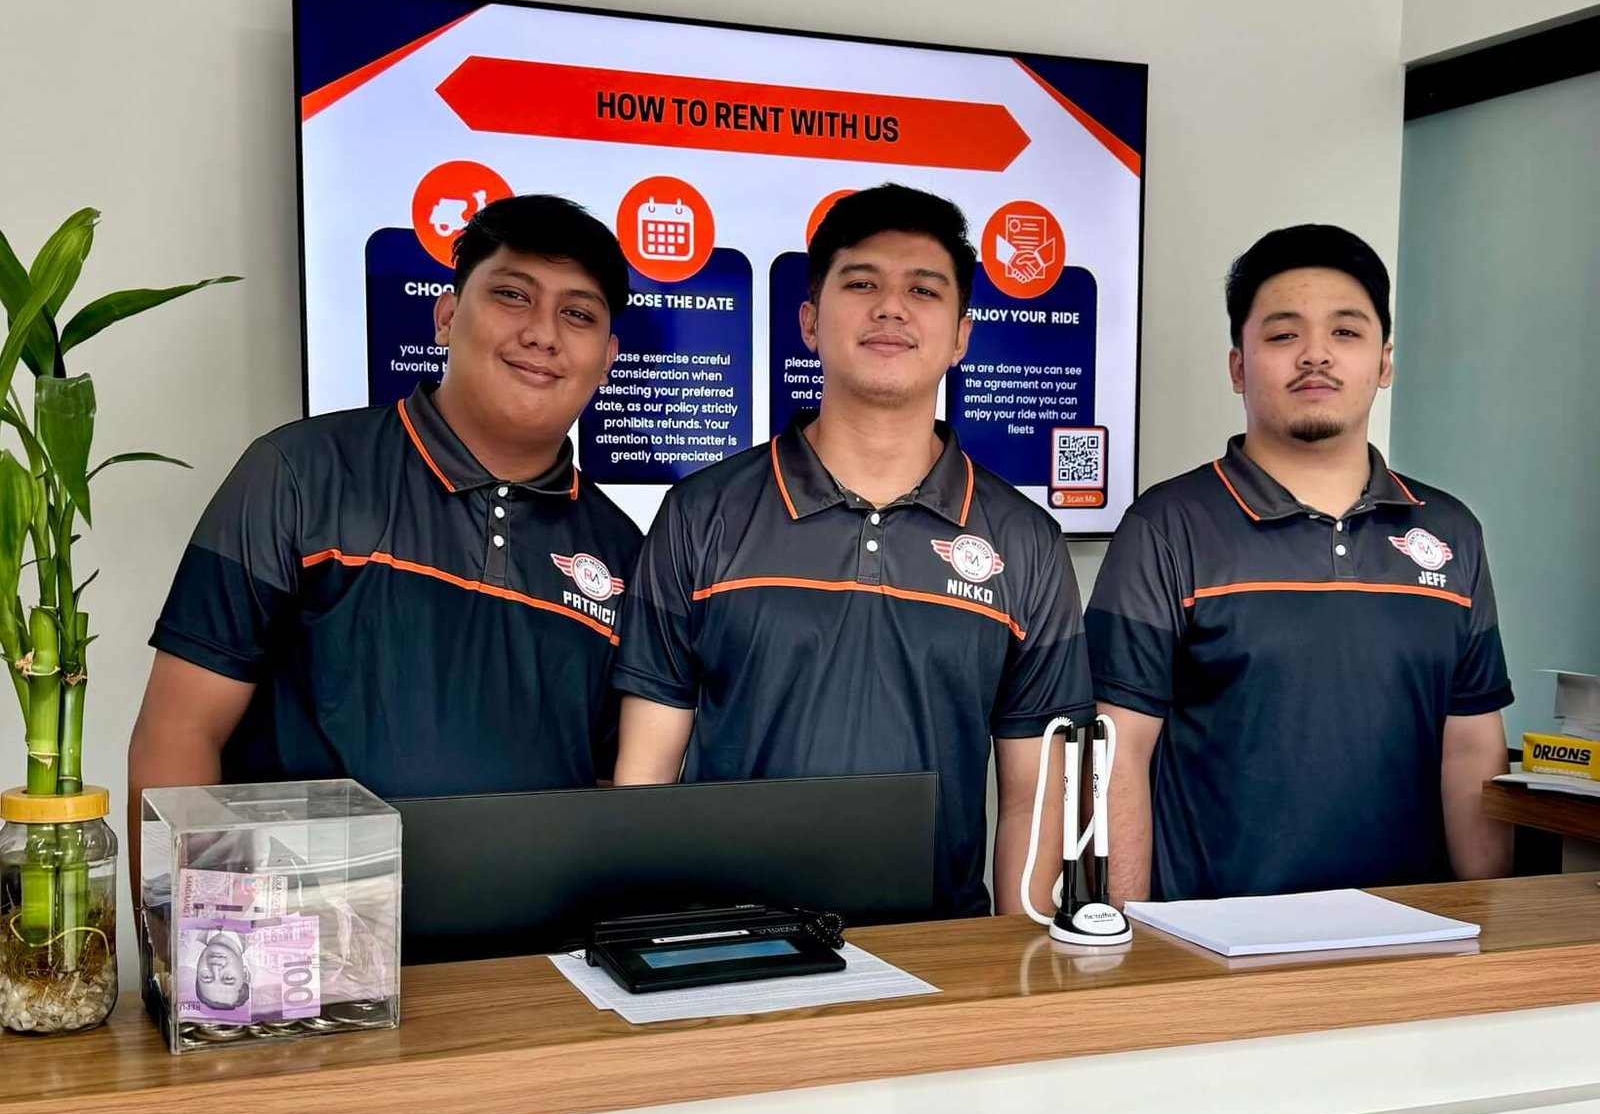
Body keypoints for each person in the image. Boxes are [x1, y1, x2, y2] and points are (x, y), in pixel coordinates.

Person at [611, 183, 1093, 917]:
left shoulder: (1024, 541)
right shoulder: (702, 514)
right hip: (735, 946)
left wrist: (1015, 963)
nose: (891, 307)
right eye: (862, 283)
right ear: (809, 321)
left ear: (961, 337)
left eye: (923, 289)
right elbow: (646, 771)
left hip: (937, 951)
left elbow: (1032, 801)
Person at [129, 194, 640, 879]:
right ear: (446, 317)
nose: (543, 334)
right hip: (306, 934)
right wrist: (185, 938)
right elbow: (179, 734)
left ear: (606, 359)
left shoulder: (624, 552)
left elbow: (614, 788)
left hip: (536, 943)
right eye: (513, 295)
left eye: (577, 314)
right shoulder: (299, 475)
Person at [1087, 223, 1512, 904]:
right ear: (1238, 366)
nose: (1316, 354)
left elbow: (1469, 748)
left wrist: (1488, 925)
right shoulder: (1166, 526)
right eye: (1284, 334)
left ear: (1384, 361)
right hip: (1210, 941)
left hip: (1413, 936)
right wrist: (1127, 935)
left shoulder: (1450, 531)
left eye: (1345, 332)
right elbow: (1116, 754)